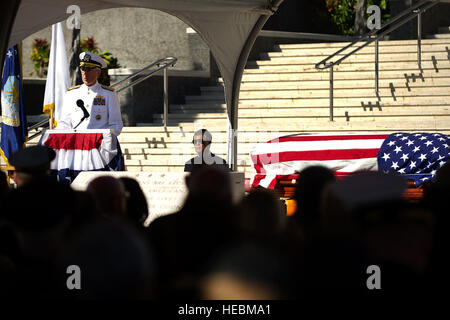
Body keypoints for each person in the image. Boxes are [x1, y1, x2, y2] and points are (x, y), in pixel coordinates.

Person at [56, 52, 123, 135]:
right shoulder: (71, 94)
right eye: (83, 69)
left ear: (98, 73)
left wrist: (101, 137)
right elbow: (64, 122)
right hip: (76, 144)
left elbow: (116, 125)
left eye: (89, 70)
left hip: (100, 145)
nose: (85, 73)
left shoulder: (109, 94)